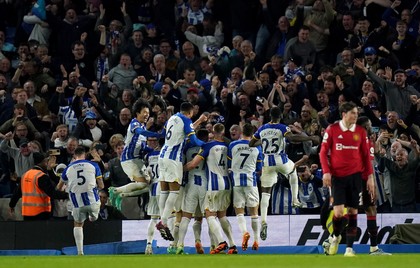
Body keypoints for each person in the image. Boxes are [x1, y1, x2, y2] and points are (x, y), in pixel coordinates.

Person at [319, 102, 374, 257]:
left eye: (356, 113)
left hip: (356, 177)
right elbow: (323, 152)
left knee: (352, 211)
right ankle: (335, 236)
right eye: (353, 113)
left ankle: (349, 250)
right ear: (344, 114)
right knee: (337, 212)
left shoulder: (360, 132)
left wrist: (369, 177)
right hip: (337, 177)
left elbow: (365, 157)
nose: (355, 116)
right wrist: (326, 172)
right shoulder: (333, 129)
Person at [249, 106, 310, 241]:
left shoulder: (262, 128)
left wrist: (264, 141)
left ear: (270, 115)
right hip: (280, 159)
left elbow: (252, 143)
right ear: (280, 116)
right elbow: (293, 138)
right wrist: (307, 137)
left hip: (267, 162)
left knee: (265, 193)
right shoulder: (282, 128)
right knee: (293, 171)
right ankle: (295, 199)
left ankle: (263, 221)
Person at [184, 123, 237, 254]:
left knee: (210, 215)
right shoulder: (228, 146)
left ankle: (221, 242)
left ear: (212, 132)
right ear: (224, 133)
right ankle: (232, 245)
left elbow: (193, 164)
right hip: (227, 184)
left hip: (213, 185)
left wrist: (180, 169)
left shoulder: (208, 146)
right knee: (222, 216)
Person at [156, 102, 205, 241]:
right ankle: (163, 222)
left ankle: (162, 218)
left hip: (162, 156)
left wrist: (199, 121)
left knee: (164, 191)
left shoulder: (172, 118)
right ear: (189, 112)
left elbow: (179, 132)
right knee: (174, 192)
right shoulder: (186, 119)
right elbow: (194, 140)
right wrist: (206, 145)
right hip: (173, 159)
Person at [110, 99, 162, 200]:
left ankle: (122, 195)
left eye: (148, 113)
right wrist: (157, 135)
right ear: (137, 113)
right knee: (143, 184)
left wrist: (153, 150)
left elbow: (141, 147)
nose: (147, 115)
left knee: (148, 185)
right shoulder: (134, 124)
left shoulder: (143, 127)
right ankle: (115, 190)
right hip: (129, 160)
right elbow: (140, 132)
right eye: (145, 112)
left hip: (137, 160)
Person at [59, 146, 104, 255]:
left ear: (74, 156)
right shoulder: (93, 165)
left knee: (78, 224)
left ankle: (80, 252)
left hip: (77, 204)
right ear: (85, 154)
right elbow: (101, 185)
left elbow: (59, 187)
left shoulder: (68, 169)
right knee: (93, 217)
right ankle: (93, 216)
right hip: (92, 201)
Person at [228, 123, 263, 251]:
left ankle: (244, 232)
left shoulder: (232, 145)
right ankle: (256, 241)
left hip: (237, 182)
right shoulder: (257, 149)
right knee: (254, 212)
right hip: (251, 182)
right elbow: (259, 169)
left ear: (242, 131)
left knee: (239, 210)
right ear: (253, 133)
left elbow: (229, 162)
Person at [175, 129, 209, 255]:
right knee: (205, 217)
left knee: (186, 216)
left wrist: (181, 170)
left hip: (191, 183)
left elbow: (183, 164)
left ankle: (180, 244)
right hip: (204, 184)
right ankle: (201, 241)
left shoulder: (187, 149)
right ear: (205, 138)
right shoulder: (206, 148)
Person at [9, 151, 68, 220]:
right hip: (41, 213)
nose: (47, 163)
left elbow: (17, 193)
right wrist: (67, 195)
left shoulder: (25, 175)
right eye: (46, 161)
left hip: (27, 213)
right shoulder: (41, 176)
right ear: (43, 162)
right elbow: (52, 193)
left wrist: (12, 205)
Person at [144, 137, 163, 255]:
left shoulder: (148, 155)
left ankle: (149, 244)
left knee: (154, 219)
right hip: (163, 188)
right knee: (170, 217)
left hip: (152, 188)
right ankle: (173, 245)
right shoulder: (166, 153)